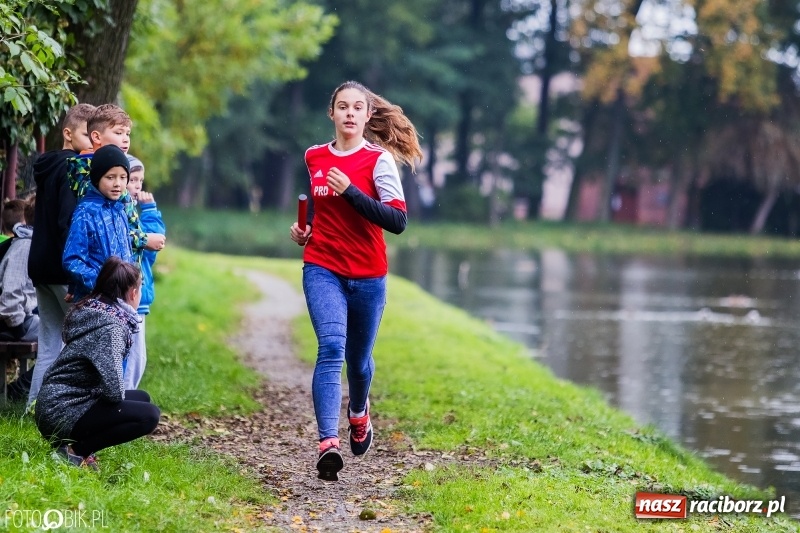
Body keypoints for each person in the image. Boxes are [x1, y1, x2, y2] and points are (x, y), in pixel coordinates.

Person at [289, 80, 422, 481]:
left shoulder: (378, 161)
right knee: (330, 347)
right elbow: (315, 200)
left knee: (358, 363)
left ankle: (359, 411)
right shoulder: (314, 156)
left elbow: (397, 221)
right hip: (322, 266)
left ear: (367, 115)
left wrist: (350, 193)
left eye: (357, 107)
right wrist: (305, 227)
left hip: (367, 274)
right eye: (342, 106)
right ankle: (328, 442)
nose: (349, 113)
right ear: (331, 114)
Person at [35, 256, 160, 470]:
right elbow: (113, 392)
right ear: (133, 293)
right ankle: (76, 452)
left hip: (55, 402)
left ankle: (74, 446)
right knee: (149, 416)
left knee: (142, 398)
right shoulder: (112, 328)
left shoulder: (96, 310)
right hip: (62, 411)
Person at [26, 102, 96, 407]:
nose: (93, 140)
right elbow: (67, 223)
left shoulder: (47, 166)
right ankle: (65, 409)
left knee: (49, 344)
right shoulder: (72, 169)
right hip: (62, 269)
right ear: (67, 134)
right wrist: (76, 274)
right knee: (82, 343)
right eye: (86, 134)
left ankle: (34, 408)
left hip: (40, 266)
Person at [66, 104, 166, 265]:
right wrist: (144, 239)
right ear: (97, 137)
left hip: (125, 275)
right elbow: (105, 231)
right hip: (108, 275)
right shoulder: (90, 177)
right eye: (119, 133)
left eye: (127, 133)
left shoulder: (112, 170)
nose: (126, 138)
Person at [63, 144, 135, 302]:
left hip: (122, 300)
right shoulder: (85, 212)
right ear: (97, 178)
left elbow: (128, 254)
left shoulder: (120, 210)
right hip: (94, 300)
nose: (117, 183)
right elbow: (72, 260)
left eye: (123, 177)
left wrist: (131, 283)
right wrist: (101, 285)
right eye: (110, 177)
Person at [122, 154, 165, 389]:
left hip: (141, 296)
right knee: (132, 358)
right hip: (128, 296)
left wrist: (149, 211)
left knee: (138, 358)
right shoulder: (122, 214)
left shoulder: (136, 214)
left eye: (140, 181)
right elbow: (145, 247)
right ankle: (124, 403)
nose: (138, 186)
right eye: (133, 180)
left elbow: (151, 252)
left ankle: (127, 400)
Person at [0, 198, 39, 342]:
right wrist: (17, 329)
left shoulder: (24, 243)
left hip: (20, 319)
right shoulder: (24, 246)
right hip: (15, 324)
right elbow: (11, 292)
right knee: (62, 335)